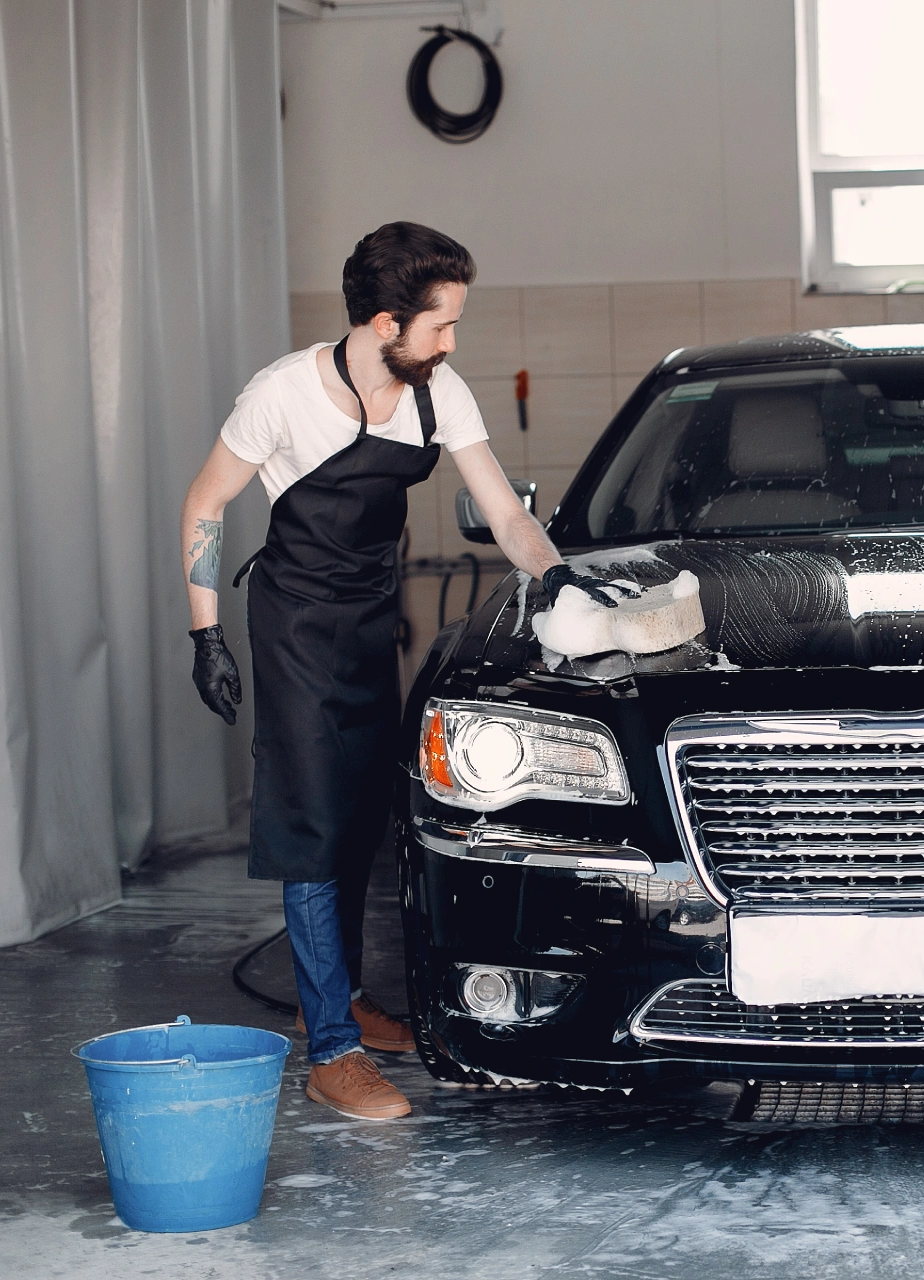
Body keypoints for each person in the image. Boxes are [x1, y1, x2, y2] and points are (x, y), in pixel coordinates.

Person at [180, 222, 619, 1120]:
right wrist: (206, 634)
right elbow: (206, 501)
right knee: (309, 825)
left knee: (359, 817)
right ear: (387, 322)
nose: (452, 342)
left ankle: (339, 999)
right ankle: (331, 1052)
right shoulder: (282, 396)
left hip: (370, 624)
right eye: (440, 325)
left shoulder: (437, 391)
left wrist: (559, 576)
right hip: (296, 626)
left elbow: (503, 510)